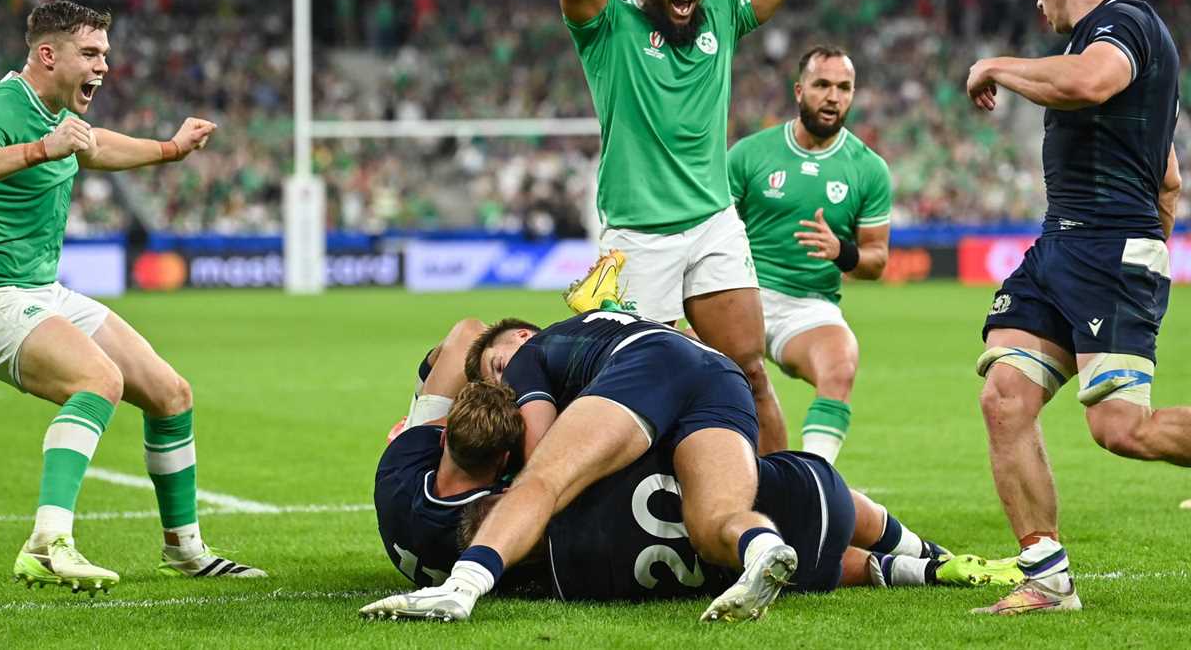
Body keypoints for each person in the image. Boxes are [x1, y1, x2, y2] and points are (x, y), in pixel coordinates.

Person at [537, 0, 861, 454]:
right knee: (635, 391)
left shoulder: (720, 17)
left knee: (747, 370)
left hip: (713, 225)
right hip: (636, 237)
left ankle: (787, 498)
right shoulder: (608, 27)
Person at [0, 0, 264, 594]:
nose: (103, 66)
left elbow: (97, 147)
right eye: (90, 53)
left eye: (105, 55)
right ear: (47, 54)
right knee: (98, 381)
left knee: (170, 393)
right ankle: (47, 543)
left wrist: (170, 148)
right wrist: (41, 149)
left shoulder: (58, 115)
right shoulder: (1, 106)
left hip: (40, 291)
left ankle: (184, 550)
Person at [964, 0, 1190, 614]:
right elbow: (1171, 178)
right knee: (1004, 397)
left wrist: (996, 63)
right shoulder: (1107, 39)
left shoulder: (1123, 26)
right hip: (1061, 246)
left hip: (1107, 250)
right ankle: (1047, 576)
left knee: (1120, 429)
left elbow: (1090, 83)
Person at [362, 310, 796, 624]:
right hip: (719, 374)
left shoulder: (526, 356)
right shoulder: (586, 338)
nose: (502, 386)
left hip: (649, 361)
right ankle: (761, 547)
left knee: (545, 480)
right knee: (714, 523)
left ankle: (461, 587)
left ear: (521, 334)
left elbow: (540, 454)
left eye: (496, 368)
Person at [460, 446, 1020, 602]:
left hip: (811, 570)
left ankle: (918, 573)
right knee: (854, 513)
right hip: (809, 496)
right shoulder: (583, 482)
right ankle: (932, 551)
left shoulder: (575, 582)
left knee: (845, 565)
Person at [727, 46, 891, 463]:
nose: (833, 96)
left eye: (843, 87)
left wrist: (843, 252)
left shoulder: (868, 169)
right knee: (703, 373)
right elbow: (711, 228)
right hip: (743, 294)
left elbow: (876, 261)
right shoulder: (750, 154)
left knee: (840, 364)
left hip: (808, 307)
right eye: (822, 85)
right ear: (799, 90)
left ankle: (813, 481)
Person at [374, 379, 523, 588]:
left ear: (444, 438)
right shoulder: (492, 519)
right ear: (505, 459)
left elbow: (436, 427)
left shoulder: (400, 459)